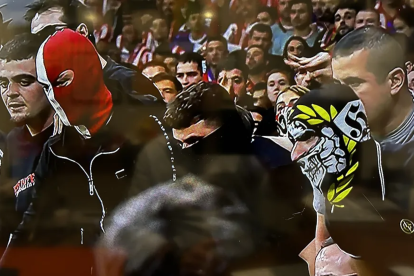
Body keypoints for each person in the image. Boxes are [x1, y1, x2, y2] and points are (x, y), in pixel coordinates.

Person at [0, 29, 143, 275]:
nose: (10, 93)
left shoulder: (131, 127)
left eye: (24, 82)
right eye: (3, 83)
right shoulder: (22, 147)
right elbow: (22, 227)